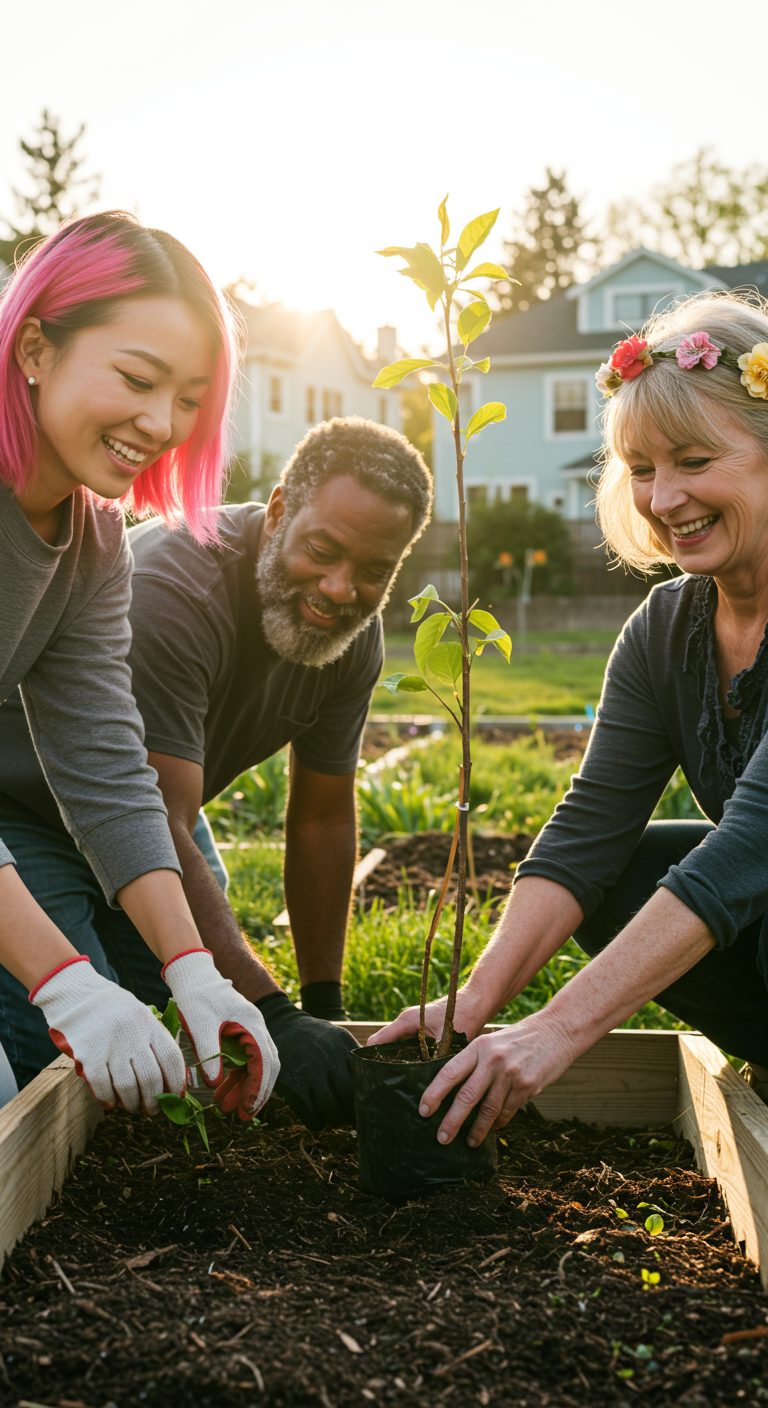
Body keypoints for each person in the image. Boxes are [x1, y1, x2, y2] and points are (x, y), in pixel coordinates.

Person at [371, 291, 768, 1143]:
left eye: (694, 461)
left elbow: (750, 847)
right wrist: (473, 1005)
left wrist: (556, 1030)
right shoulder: (665, 632)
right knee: (621, 870)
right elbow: (588, 831)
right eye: (642, 469)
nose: (664, 499)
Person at [0, 414, 432, 1127]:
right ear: (281, 507)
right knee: (92, 1056)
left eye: (374, 572)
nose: (339, 587)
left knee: (192, 1028)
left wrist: (321, 1012)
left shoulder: (353, 633)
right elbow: (150, 814)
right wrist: (273, 1010)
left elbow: (323, 814)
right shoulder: (176, 588)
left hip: (150, 810)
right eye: (323, 549)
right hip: (28, 804)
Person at [0, 211, 279, 1121]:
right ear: (35, 346)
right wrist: (65, 984)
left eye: (188, 398)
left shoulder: (90, 538)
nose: (159, 423)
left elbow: (105, 766)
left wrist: (195, 971)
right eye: (136, 378)